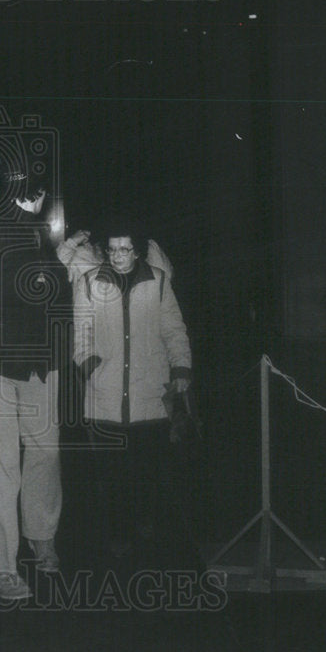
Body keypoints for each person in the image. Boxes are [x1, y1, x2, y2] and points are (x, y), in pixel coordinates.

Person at [0, 172, 71, 601]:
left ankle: (41, 534)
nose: (29, 198)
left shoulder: (40, 236)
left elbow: (56, 298)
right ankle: (3, 566)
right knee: (2, 465)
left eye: (32, 191)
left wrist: (60, 358)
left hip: (41, 364)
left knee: (47, 449)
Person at [72, 222, 192, 558]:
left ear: (136, 251)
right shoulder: (89, 283)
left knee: (147, 468)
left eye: (125, 249)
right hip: (105, 395)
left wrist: (181, 366)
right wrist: (89, 364)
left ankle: (145, 519)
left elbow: (174, 329)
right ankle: (118, 530)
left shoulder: (158, 281)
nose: (118, 256)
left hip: (149, 393)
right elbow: (80, 332)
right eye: (112, 249)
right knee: (111, 473)